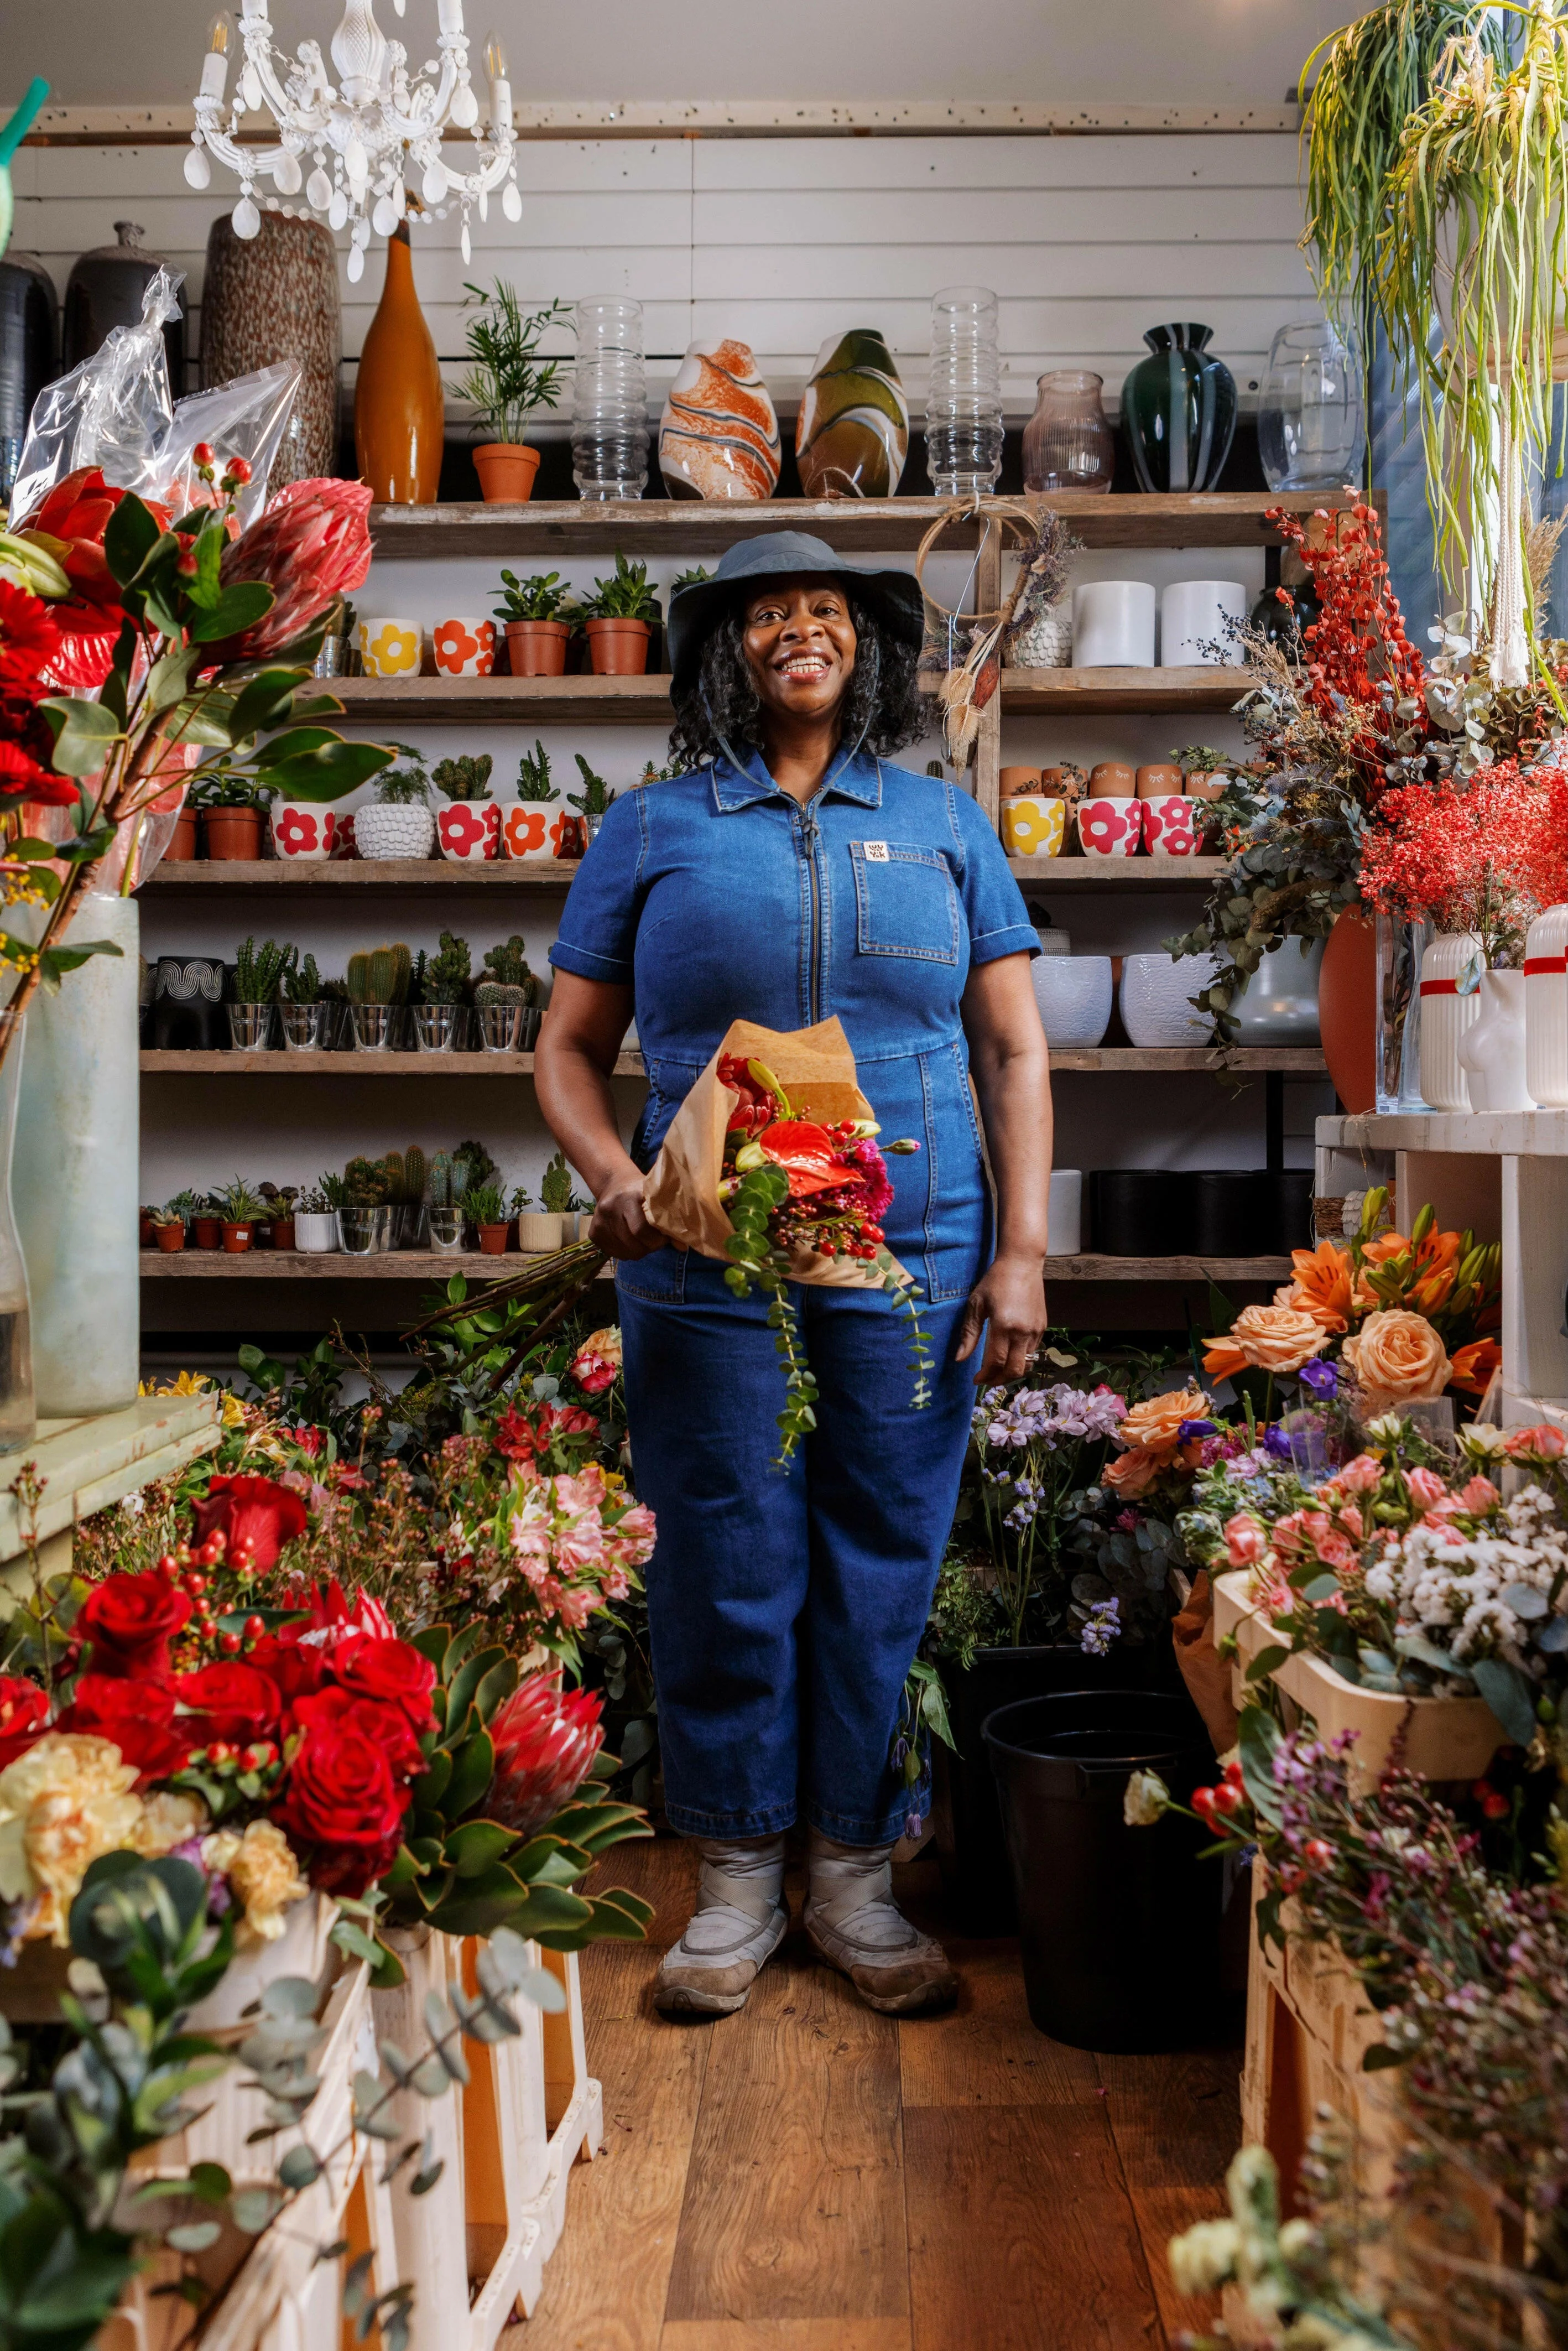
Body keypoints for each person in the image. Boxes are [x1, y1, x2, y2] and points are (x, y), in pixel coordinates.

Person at [535, 532, 1051, 2019]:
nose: (799, 632)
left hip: (920, 1237)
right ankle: (739, 1874)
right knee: (725, 1542)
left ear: (866, 649)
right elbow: (566, 1053)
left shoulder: (947, 826)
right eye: (768, 616)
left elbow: (1014, 1048)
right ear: (728, 656)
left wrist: (1021, 1249)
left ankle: (857, 1873)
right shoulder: (654, 829)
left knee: (885, 1546)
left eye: (825, 611)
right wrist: (617, 1180)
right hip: (707, 1229)